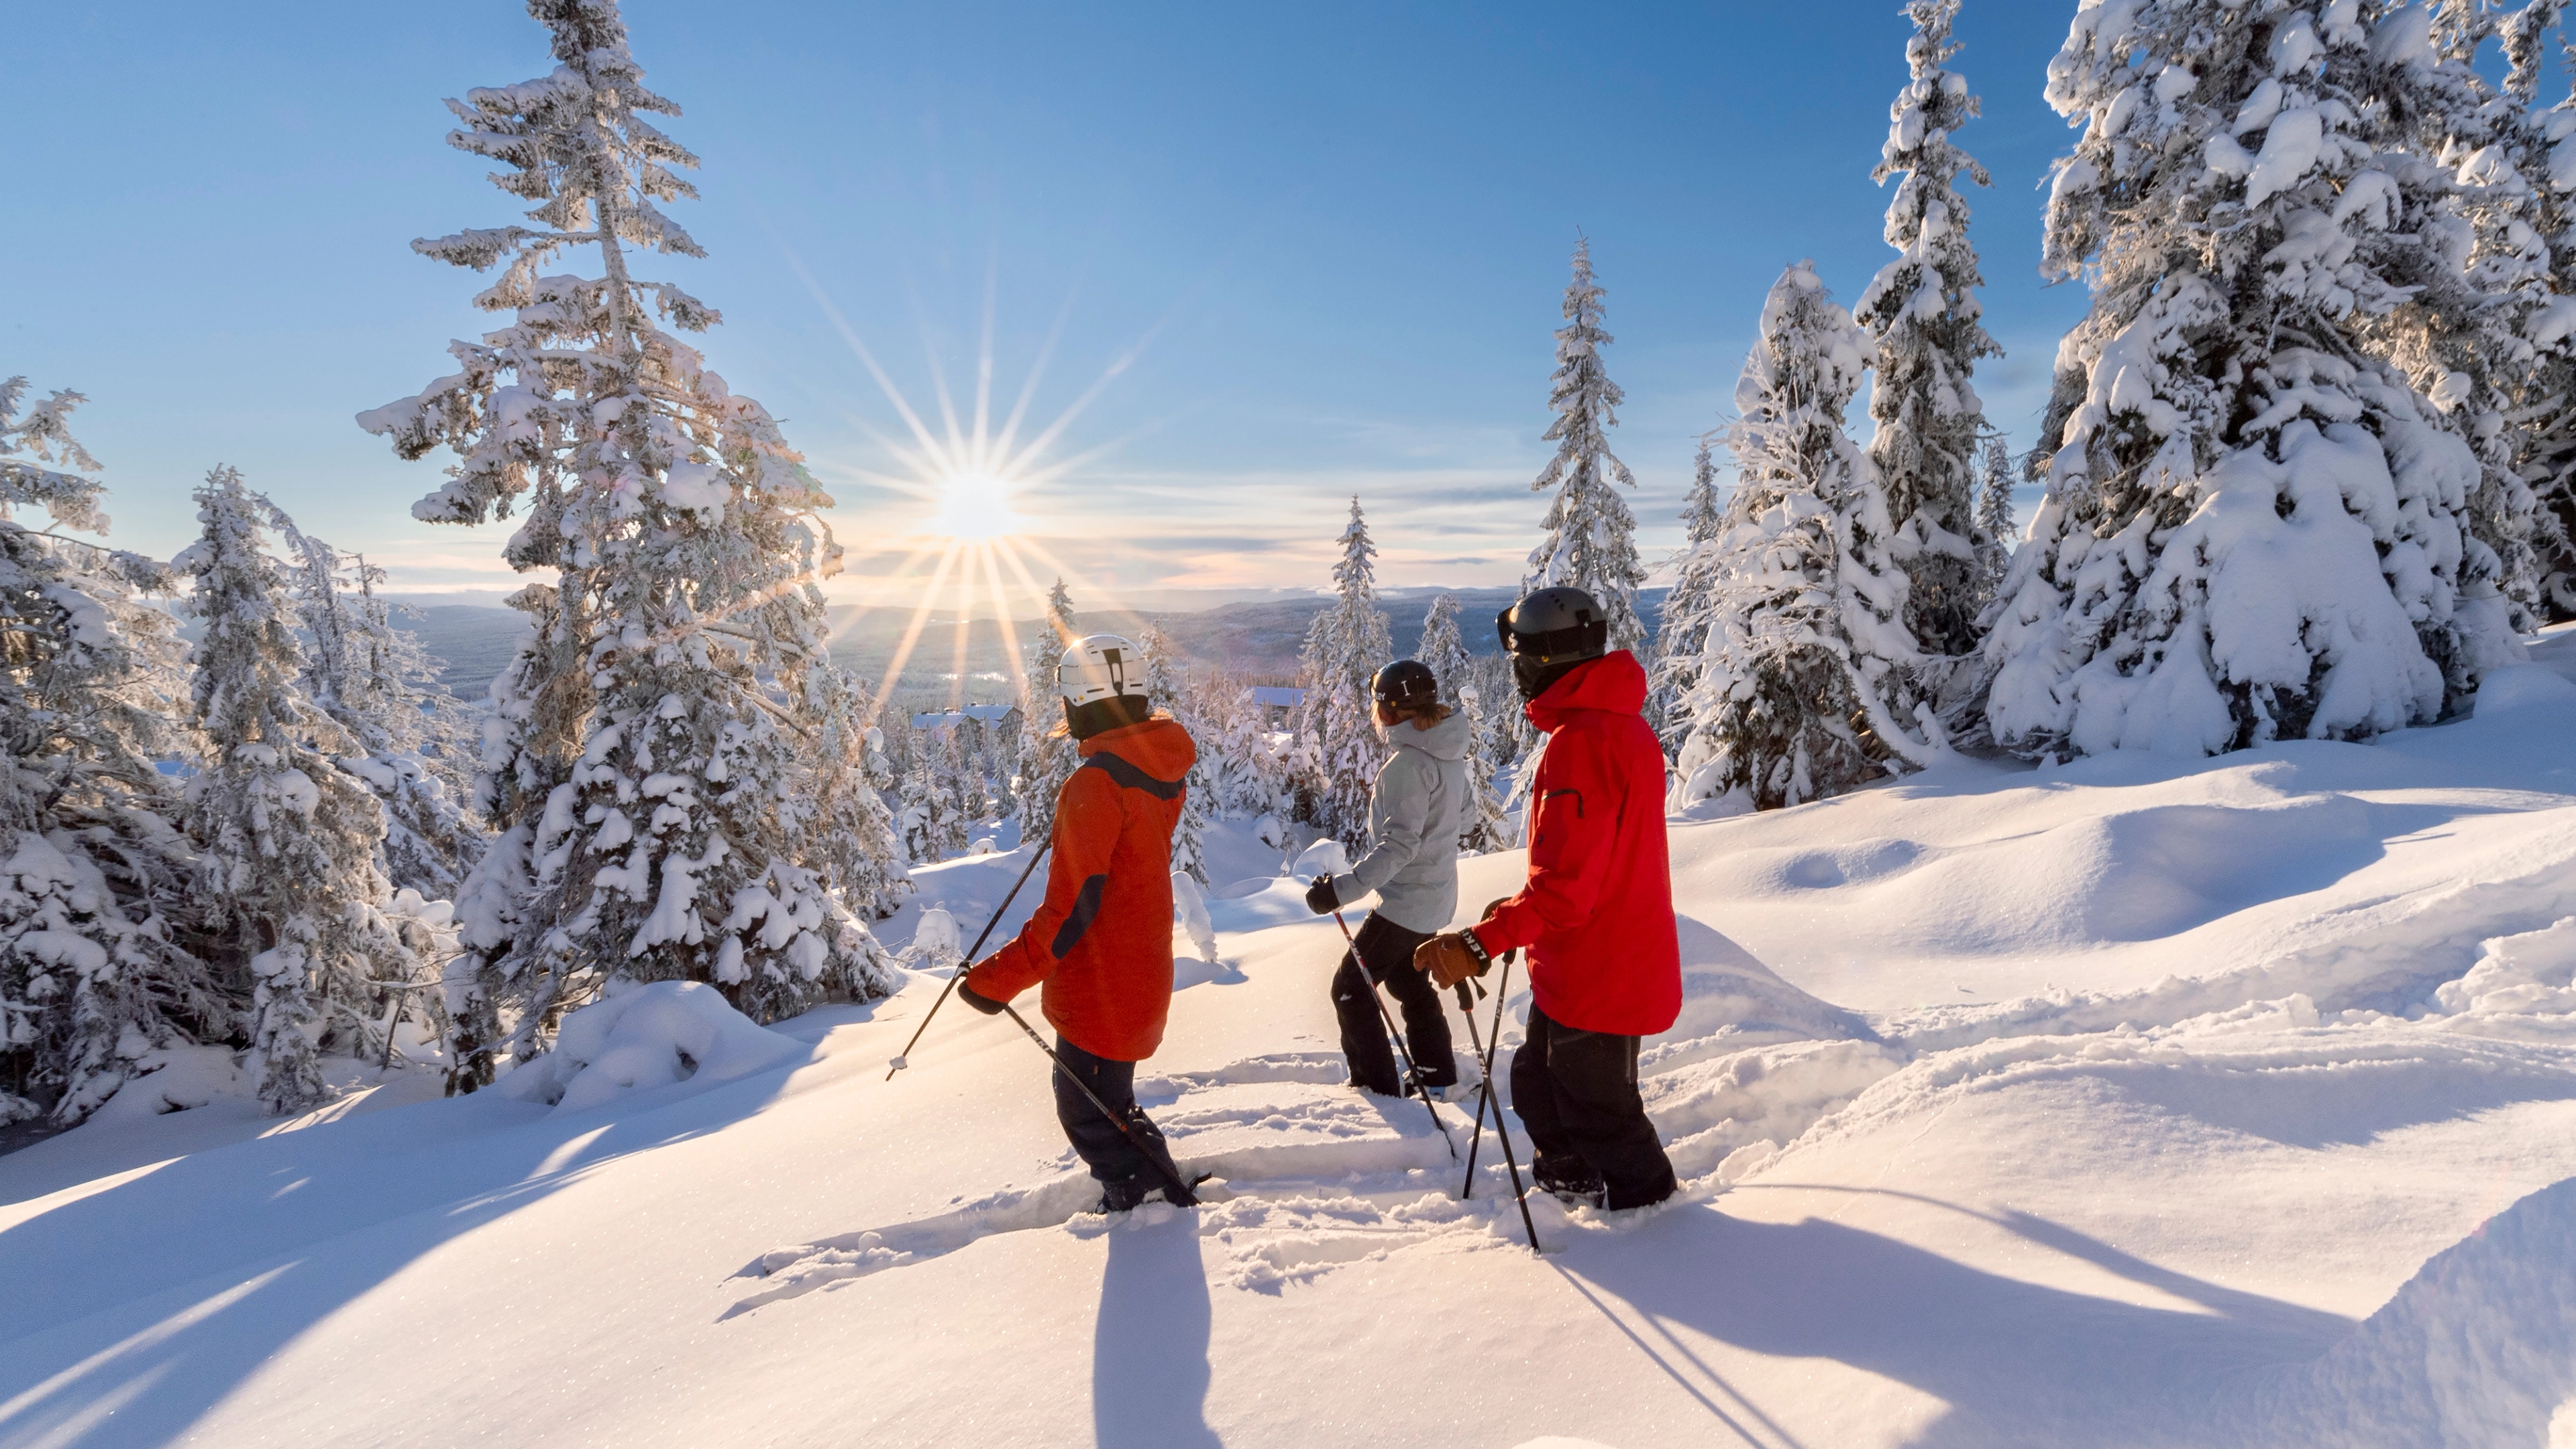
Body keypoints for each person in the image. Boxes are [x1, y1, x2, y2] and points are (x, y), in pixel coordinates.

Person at [1413, 587, 1680, 1211]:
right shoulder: (1615, 727)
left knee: (1600, 1117)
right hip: (1590, 963)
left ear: (1547, 659)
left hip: (1601, 972)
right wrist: (1513, 914)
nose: (1516, 671)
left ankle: (1660, 1227)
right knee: (1538, 1084)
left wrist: (1480, 943)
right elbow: (1584, 866)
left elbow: (1566, 893)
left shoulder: (1582, 745)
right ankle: (1572, 1188)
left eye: (1521, 656)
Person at [957, 634, 1201, 1213]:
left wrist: (995, 981)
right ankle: (1154, 1189)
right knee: (1109, 1102)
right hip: (1138, 968)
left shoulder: (1098, 783)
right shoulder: (1152, 769)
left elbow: (1070, 912)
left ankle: (1144, 1203)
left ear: (1079, 703)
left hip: (1103, 984)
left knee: (1087, 1111)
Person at [1303, 658, 1466, 1099]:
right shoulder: (1448, 754)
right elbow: (1466, 817)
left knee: (1350, 990)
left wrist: (1339, 891)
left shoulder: (1407, 765)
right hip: (1435, 897)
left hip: (1406, 904)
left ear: (1389, 712)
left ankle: (1376, 1091)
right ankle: (1436, 1074)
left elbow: (1399, 847)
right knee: (1407, 980)